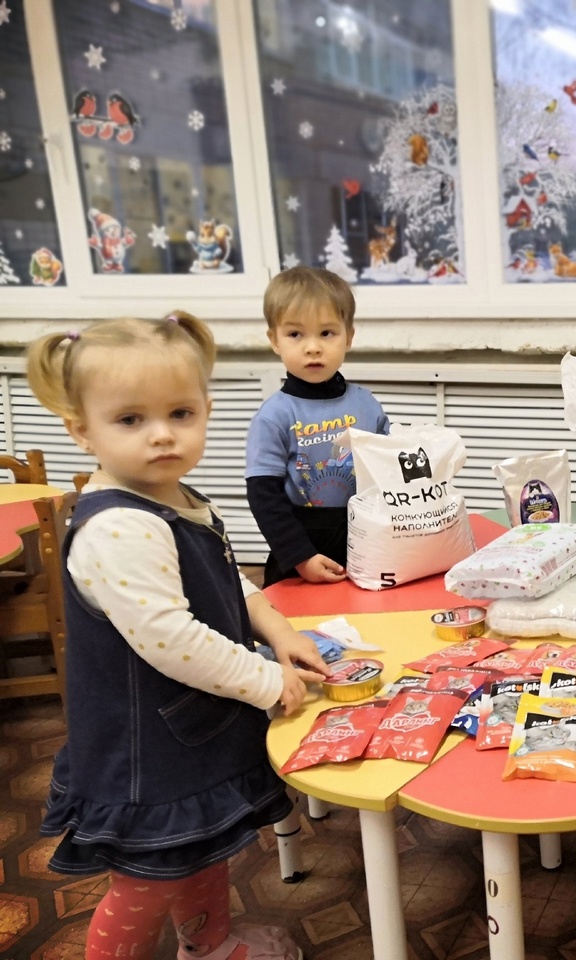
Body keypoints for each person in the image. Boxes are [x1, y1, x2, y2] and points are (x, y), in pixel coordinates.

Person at [26, 312, 332, 960]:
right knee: (146, 884)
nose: (162, 434)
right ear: (82, 430)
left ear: (206, 411)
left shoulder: (175, 497)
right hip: (144, 755)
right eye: (130, 419)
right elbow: (173, 639)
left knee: (201, 851)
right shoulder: (119, 527)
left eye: (180, 413)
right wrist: (267, 679)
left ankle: (209, 944)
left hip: (189, 734)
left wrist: (276, 628)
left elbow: (223, 578)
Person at [246, 266, 390, 587]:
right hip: (301, 555)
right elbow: (263, 496)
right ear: (274, 340)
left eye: (326, 333)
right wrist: (300, 557)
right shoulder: (274, 416)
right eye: (295, 334)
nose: (313, 347)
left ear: (348, 336)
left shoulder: (367, 404)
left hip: (367, 547)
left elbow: (388, 473)